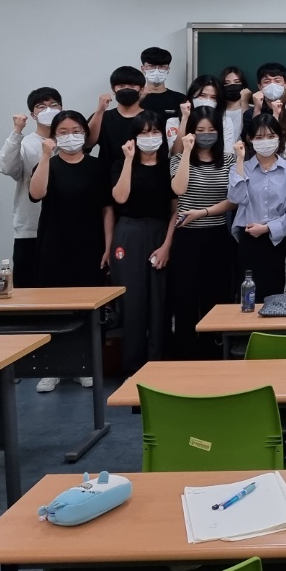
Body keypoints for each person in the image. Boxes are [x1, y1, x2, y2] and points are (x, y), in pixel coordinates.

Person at [27, 110, 112, 391]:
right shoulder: (48, 164)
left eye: (76, 131)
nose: (70, 136)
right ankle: (52, 368)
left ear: (85, 134)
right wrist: (45, 156)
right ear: (53, 136)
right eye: (62, 132)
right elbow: (36, 194)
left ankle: (84, 367)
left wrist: (108, 245)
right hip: (54, 245)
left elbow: (107, 209)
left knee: (87, 309)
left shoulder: (97, 167)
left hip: (90, 245)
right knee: (53, 309)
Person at [109, 111, 176, 375]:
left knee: (159, 303)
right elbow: (120, 198)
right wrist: (129, 160)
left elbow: (175, 210)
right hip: (129, 232)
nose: (150, 137)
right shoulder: (121, 163)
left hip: (160, 233)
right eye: (144, 133)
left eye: (155, 132)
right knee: (132, 303)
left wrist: (167, 245)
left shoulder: (169, 165)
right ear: (134, 137)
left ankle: (157, 367)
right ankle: (132, 370)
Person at [167, 108, 234, 358]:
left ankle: (212, 354)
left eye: (211, 130)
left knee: (214, 297)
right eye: (200, 130)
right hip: (186, 237)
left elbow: (234, 200)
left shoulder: (228, 160)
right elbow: (179, 188)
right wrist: (186, 151)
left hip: (217, 236)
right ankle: (185, 355)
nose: (206, 135)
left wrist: (203, 212)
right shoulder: (177, 158)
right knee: (184, 298)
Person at [0, 86, 60, 289]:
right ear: (33, 114)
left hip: (64, 230)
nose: (48, 110)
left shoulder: (71, 141)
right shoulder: (25, 144)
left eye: (54, 105)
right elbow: (5, 167)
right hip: (31, 230)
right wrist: (17, 131)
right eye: (41, 107)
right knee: (28, 289)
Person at [228, 114, 286, 298]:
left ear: (279, 137)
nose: (265, 141)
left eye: (271, 136)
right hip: (249, 240)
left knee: (278, 295)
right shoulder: (241, 167)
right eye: (259, 137)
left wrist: (267, 228)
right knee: (250, 296)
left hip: (279, 241)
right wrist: (240, 160)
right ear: (250, 139)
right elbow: (236, 198)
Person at [89, 66, 146, 169]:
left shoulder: (151, 118)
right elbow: (87, 144)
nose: (126, 89)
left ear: (141, 89)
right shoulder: (102, 116)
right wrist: (100, 110)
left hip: (142, 174)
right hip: (107, 174)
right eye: (121, 86)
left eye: (132, 86)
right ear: (113, 89)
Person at [138, 47, 187, 132]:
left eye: (162, 67)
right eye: (151, 66)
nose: (157, 70)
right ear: (143, 69)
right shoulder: (136, 99)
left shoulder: (180, 99)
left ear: (168, 69)